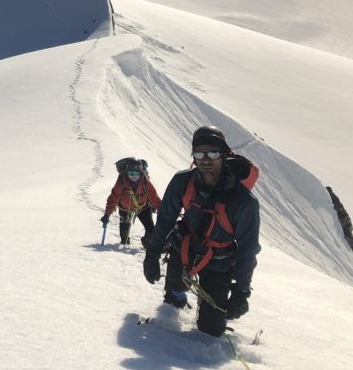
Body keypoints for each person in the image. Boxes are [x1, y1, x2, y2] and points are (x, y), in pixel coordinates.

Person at [142, 126, 261, 337]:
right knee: (174, 296)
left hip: (218, 261)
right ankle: (177, 295)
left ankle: (211, 313)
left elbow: (247, 249)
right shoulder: (182, 181)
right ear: (193, 157)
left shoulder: (244, 202)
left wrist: (242, 291)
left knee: (211, 330)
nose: (206, 159)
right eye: (199, 153)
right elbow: (165, 220)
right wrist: (152, 254)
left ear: (225, 155)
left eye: (213, 153)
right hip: (184, 248)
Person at [101, 158, 161, 245]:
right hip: (125, 209)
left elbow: (154, 197)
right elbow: (114, 197)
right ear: (127, 172)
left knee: (151, 230)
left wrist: (162, 210)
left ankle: (146, 242)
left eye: (136, 173)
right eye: (131, 173)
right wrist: (107, 214)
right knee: (124, 237)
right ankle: (125, 243)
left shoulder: (145, 181)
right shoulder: (122, 181)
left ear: (141, 173)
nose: (133, 176)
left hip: (143, 207)